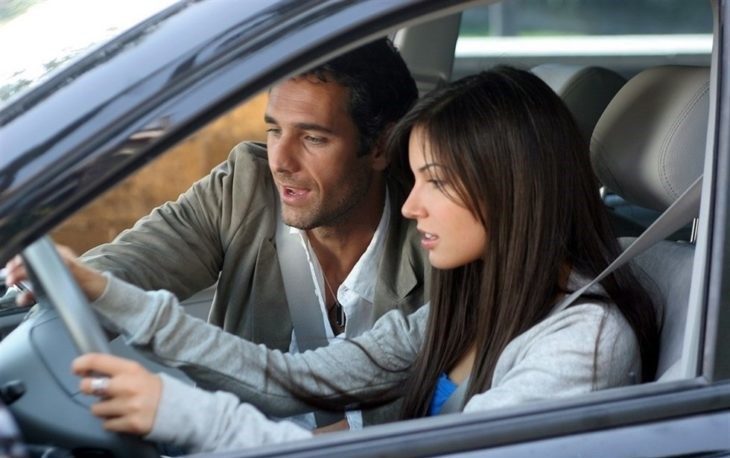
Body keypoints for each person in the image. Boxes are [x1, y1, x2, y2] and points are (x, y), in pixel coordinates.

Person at [5, 67, 659, 453]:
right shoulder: (478, 298)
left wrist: (182, 414)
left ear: (509, 190)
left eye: (435, 181)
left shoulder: (584, 342)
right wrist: (103, 291)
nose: (411, 205)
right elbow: (295, 380)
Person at [79, 38, 428, 429]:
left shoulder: (435, 235)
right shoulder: (245, 186)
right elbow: (132, 262)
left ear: (381, 146)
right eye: (275, 130)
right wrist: (70, 283)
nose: (281, 162)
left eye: (313, 138)